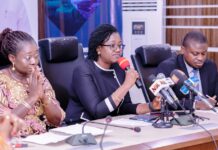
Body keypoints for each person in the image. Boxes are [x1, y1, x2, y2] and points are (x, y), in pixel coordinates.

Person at [65, 24, 160, 123]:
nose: (118, 50)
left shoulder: (119, 68)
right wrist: (126, 85)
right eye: (112, 46)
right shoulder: (83, 71)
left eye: (120, 45)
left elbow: (124, 107)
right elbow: (97, 112)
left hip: (108, 124)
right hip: (81, 126)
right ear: (98, 49)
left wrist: (151, 106)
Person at [0, 28, 65, 136]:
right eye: (28, 57)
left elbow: (57, 120)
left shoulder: (39, 78)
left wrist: (43, 96)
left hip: (43, 140)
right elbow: (4, 125)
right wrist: (32, 97)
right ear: (12, 58)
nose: (34, 62)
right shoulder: (2, 82)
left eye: (36, 56)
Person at [156, 31, 218, 110]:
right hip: (180, 116)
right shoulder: (167, 67)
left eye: (203, 53)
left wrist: (214, 101)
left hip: (209, 114)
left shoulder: (210, 66)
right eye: (195, 54)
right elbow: (160, 101)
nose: (200, 58)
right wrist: (195, 105)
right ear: (182, 50)